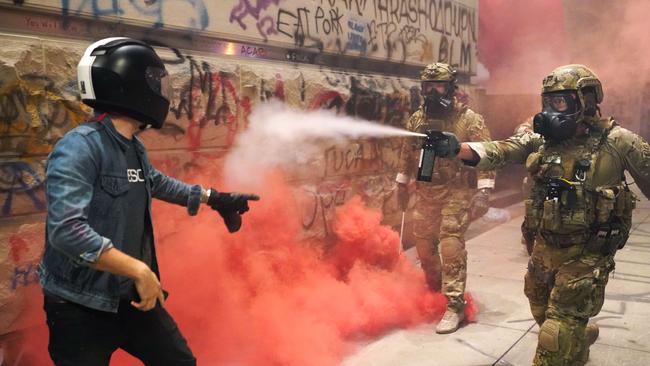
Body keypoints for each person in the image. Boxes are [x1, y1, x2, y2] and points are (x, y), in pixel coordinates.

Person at [39, 37, 259, 366]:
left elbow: (153, 182)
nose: (160, 92)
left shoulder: (132, 146)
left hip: (131, 297)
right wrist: (137, 269)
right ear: (125, 83)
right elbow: (66, 231)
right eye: (154, 82)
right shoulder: (80, 147)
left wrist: (214, 198)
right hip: (79, 307)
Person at [430, 64, 650, 365]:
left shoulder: (618, 142)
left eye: (559, 102)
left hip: (587, 255)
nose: (550, 110)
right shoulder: (543, 141)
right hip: (545, 247)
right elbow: (502, 149)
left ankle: (567, 337)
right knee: (541, 310)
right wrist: (457, 148)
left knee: (553, 334)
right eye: (547, 102)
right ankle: (578, 337)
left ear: (585, 100)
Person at [395, 62, 495, 334]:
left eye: (438, 85)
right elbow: (406, 154)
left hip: (456, 191)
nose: (432, 91)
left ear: (451, 88)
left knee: (450, 247)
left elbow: (486, 154)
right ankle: (434, 293)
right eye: (428, 86)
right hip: (427, 192)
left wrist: (484, 190)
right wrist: (401, 186)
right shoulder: (417, 119)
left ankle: (454, 305)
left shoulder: (468, 119)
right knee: (424, 249)